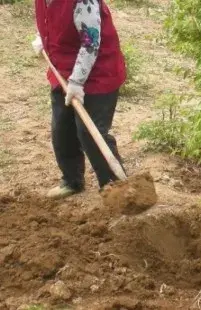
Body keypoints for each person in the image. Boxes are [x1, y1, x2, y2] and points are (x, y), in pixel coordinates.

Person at [31, 0, 127, 199]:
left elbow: (90, 42)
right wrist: (43, 37)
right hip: (62, 70)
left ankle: (116, 188)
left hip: (99, 73)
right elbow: (51, 20)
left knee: (90, 133)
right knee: (62, 128)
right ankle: (72, 180)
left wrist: (77, 81)